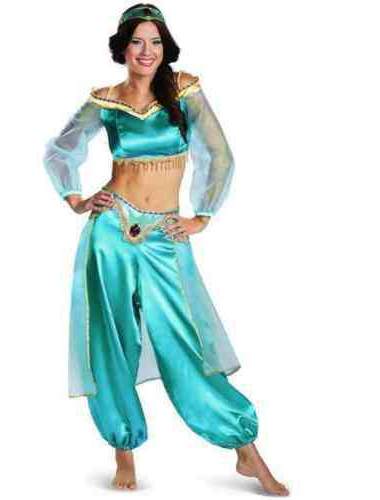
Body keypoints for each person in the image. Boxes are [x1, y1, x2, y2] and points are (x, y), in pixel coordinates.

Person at [43, 3, 289, 496]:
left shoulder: (184, 90)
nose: (146, 51)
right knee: (113, 340)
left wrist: (201, 216)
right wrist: (78, 199)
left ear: (165, 48)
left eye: (155, 42)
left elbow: (220, 154)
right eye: (137, 41)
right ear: (122, 49)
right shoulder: (105, 100)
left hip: (164, 236)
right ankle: (124, 448)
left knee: (183, 342)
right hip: (110, 232)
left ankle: (244, 447)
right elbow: (60, 149)